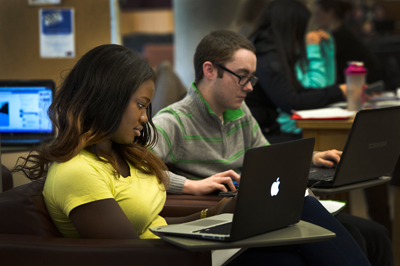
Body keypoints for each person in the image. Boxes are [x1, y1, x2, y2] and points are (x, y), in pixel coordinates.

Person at [11, 43, 371, 265]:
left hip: (185, 254)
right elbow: (130, 253)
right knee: (303, 215)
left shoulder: (120, 154)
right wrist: (213, 230)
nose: (144, 118)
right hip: (175, 261)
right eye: (140, 105)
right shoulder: (78, 172)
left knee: (296, 241)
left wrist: (221, 211)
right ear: (107, 100)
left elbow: (155, 222)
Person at [152, 29, 393, 266]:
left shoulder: (238, 112)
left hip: (258, 210)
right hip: (227, 219)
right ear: (210, 70)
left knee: (374, 234)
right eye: (242, 76)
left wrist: (312, 158)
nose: (249, 87)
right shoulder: (173, 121)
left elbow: (267, 157)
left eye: (252, 77)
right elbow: (136, 169)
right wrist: (191, 185)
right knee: (338, 226)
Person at [244, 0, 346, 142]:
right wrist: (338, 92)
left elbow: (298, 91)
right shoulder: (266, 56)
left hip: (268, 131)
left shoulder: (269, 50)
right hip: (261, 137)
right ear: (292, 29)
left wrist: (338, 91)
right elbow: (292, 103)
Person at [314, 0, 383, 84]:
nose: (315, 19)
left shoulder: (340, 36)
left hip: (365, 84)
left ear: (330, 13)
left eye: (318, 14)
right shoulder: (339, 33)